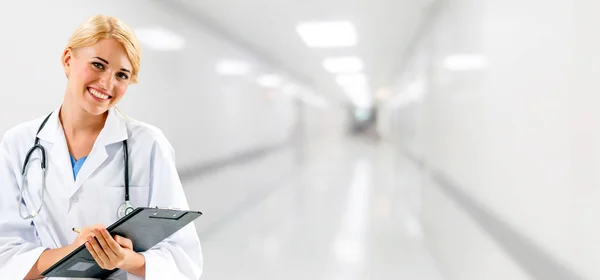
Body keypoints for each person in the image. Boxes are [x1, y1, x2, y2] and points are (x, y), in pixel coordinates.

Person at [0, 14, 203, 279]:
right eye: (98, 65)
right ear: (67, 60)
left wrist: (127, 260)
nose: (107, 83)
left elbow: (182, 257)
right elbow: (6, 252)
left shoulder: (148, 144)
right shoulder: (19, 143)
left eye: (121, 75)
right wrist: (73, 252)